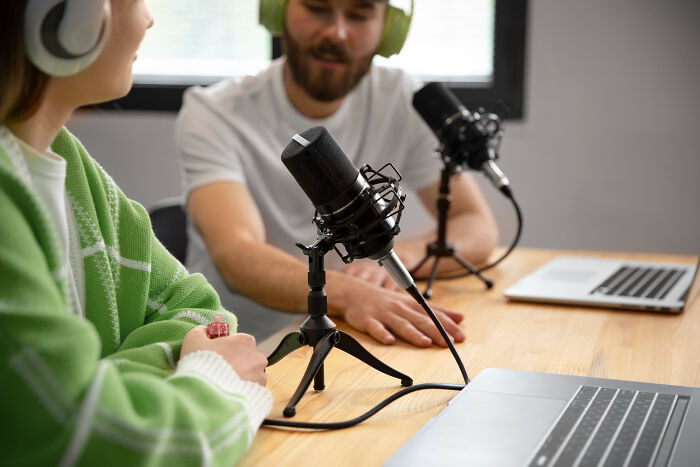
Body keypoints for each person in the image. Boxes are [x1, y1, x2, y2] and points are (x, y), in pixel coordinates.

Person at [0, 1, 270, 465]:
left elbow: (201, 308)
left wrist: (109, 384)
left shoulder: (71, 166)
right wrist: (214, 379)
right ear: (67, 16)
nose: (148, 19)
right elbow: (79, 435)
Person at [177, 0, 498, 346]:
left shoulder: (403, 99)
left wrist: (399, 259)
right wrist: (349, 293)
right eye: (316, 7)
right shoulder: (214, 112)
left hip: (358, 328)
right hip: (245, 343)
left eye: (359, 14)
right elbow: (237, 255)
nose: (337, 33)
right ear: (277, 10)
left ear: (388, 29)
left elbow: (475, 224)